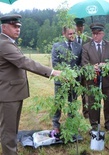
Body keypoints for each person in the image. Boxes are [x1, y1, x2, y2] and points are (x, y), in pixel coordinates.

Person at [0, 14, 61, 155]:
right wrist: (51, 71)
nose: (18, 29)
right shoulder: (4, 44)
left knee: (12, 128)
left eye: (19, 27)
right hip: (8, 95)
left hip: (12, 93)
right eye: (14, 26)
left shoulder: (8, 42)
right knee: (8, 131)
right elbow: (24, 62)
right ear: (4, 27)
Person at [81, 23, 109, 131]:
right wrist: (91, 67)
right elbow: (84, 64)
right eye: (93, 34)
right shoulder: (86, 47)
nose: (95, 36)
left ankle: (108, 123)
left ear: (102, 34)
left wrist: (106, 65)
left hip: (107, 79)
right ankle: (94, 125)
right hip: (92, 80)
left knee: (108, 102)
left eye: (98, 34)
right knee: (92, 103)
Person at [50, 26, 82, 137]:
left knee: (72, 103)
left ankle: (71, 125)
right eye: (69, 34)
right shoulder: (57, 46)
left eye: (73, 33)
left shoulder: (78, 47)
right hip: (61, 81)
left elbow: (80, 63)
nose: (72, 35)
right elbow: (55, 63)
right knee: (58, 103)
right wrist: (65, 75)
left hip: (73, 81)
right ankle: (55, 125)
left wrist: (74, 76)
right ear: (63, 33)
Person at [74, 18, 90, 119]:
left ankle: (86, 113)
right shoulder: (71, 39)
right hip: (74, 72)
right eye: (78, 26)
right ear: (75, 27)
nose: (79, 28)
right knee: (74, 93)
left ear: (83, 27)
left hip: (85, 72)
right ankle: (73, 113)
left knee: (86, 94)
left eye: (81, 26)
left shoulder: (89, 40)